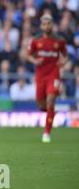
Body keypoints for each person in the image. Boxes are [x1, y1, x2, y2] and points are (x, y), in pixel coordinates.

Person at [27, 14, 67, 143]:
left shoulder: (60, 40)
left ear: (52, 25)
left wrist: (63, 62)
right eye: (44, 24)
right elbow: (28, 55)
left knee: (50, 100)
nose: (46, 26)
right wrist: (34, 60)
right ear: (41, 26)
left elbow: (65, 56)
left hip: (53, 74)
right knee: (41, 105)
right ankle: (52, 113)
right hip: (40, 75)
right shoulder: (35, 40)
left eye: (48, 23)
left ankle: (46, 133)